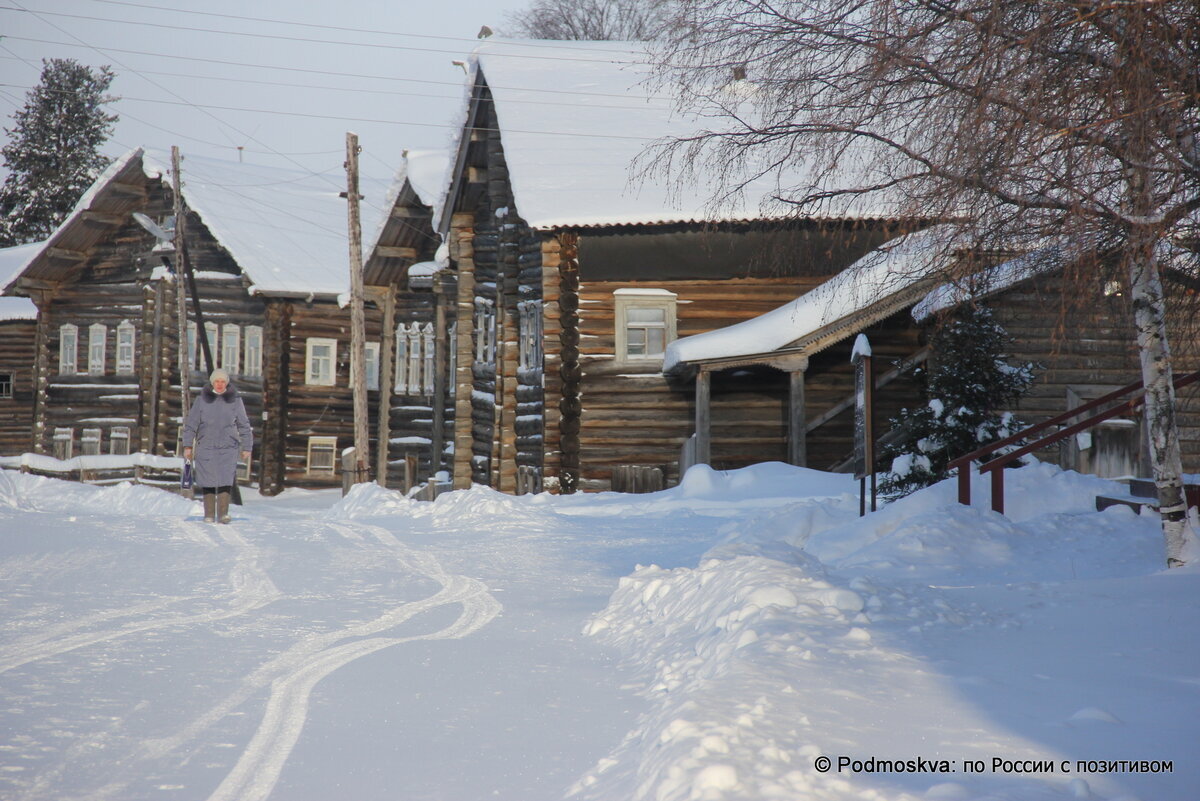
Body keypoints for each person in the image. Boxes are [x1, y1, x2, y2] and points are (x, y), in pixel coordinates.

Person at [182, 368, 252, 524]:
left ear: (226, 383)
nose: (220, 384)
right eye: (217, 381)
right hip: (206, 445)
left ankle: (223, 514)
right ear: (212, 382)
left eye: (222, 381)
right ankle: (208, 514)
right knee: (208, 479)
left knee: (225, 479)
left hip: (228, 446)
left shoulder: (235, 401)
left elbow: (244, 425)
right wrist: (187, 445)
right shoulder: (201, 400)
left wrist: (247, 447)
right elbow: (191, 424)